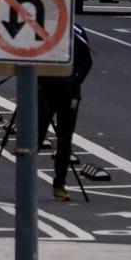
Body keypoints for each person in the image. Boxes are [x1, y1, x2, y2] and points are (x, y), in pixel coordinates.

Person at [38, 24, 93, 203]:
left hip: (69, 93)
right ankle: (26, 181)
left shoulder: (76, 31)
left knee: (64, 140)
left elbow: (87, 62)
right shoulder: (41, 28)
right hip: (44, 91)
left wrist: (74, 79)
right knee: (35, 135)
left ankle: (59, 184)